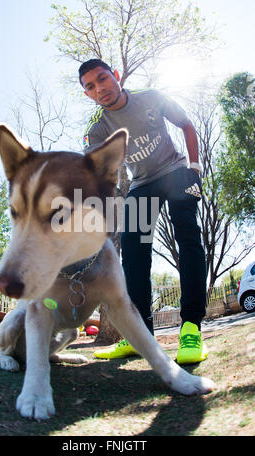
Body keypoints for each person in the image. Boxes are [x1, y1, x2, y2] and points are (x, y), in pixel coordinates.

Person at [79, 58, 208, 364]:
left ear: (116, 75)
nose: (100, 89)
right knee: (134, 257)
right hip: (141, 184)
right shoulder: (96, 128)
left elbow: (187, 125)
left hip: (176, 172)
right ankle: (141, 337)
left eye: (103, 78)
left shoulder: (150, 96)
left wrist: (195, 169)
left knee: (188, 238)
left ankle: (191, 328)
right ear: (87, 94)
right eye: (90, 86)